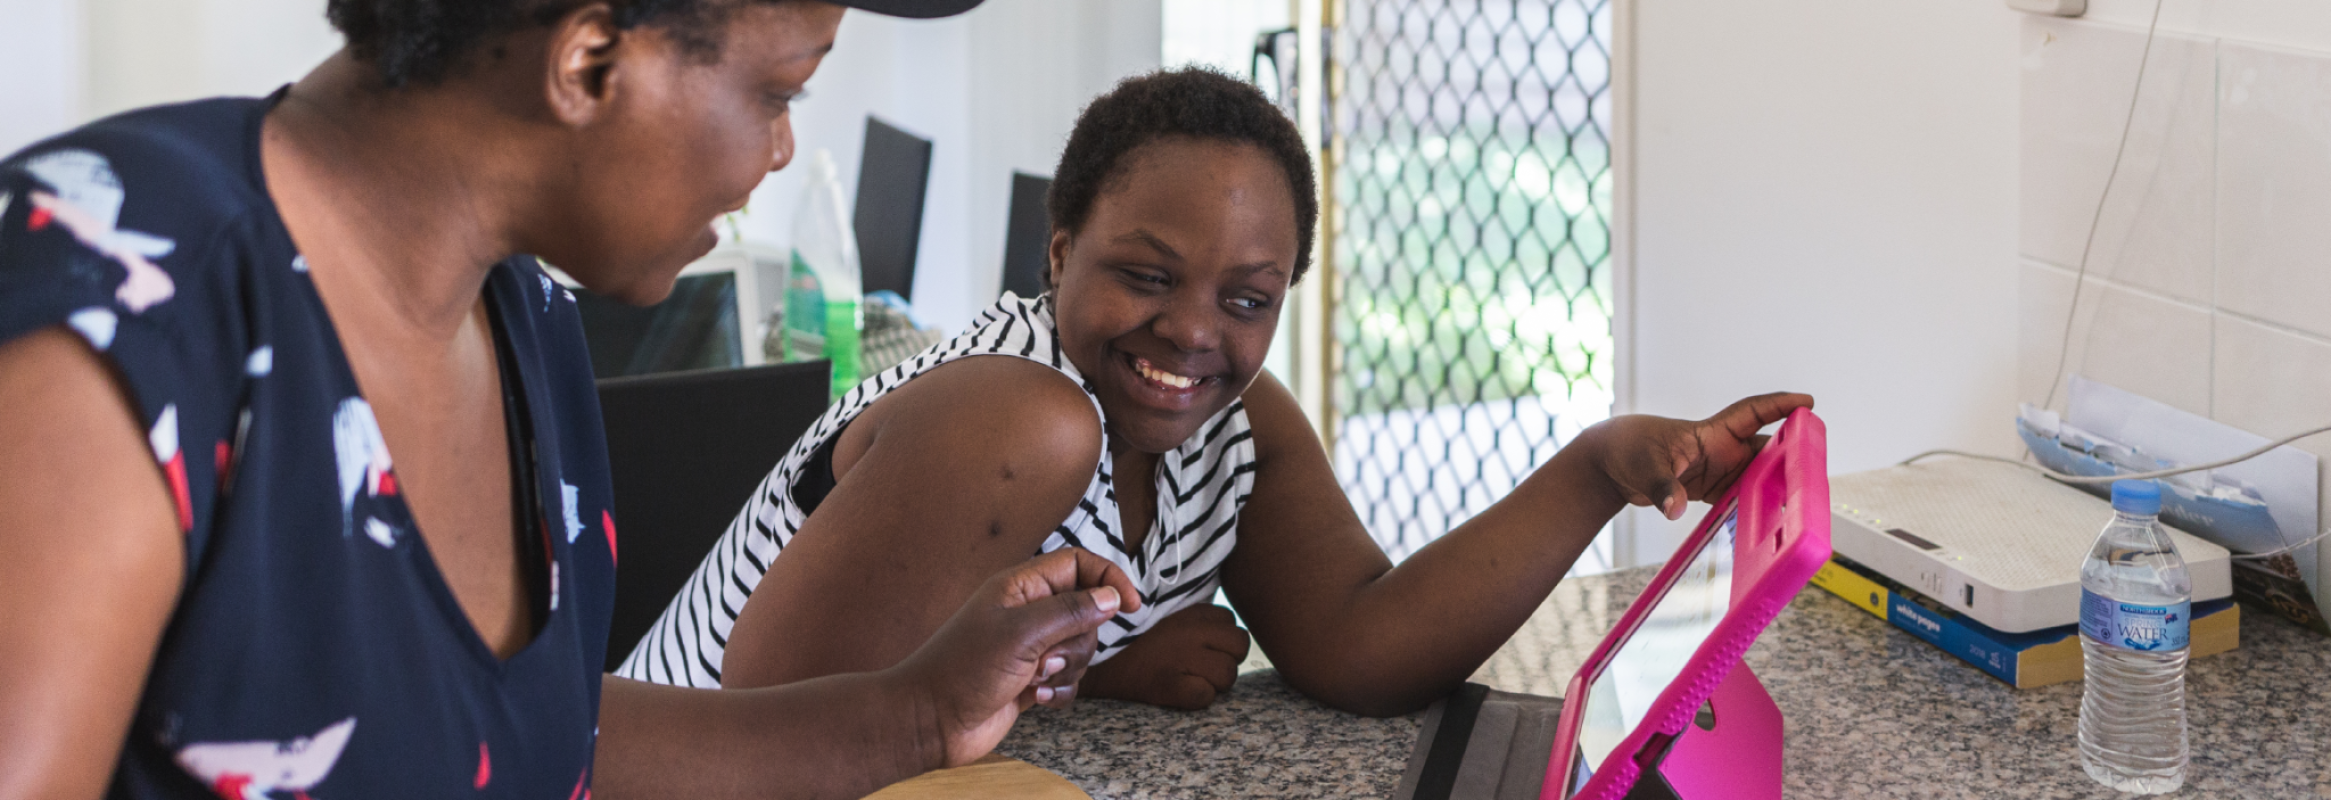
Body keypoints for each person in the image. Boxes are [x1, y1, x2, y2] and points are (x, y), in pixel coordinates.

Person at [0, 1, 1144, 798]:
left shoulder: (524, 319)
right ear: (589, 60)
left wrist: (921, 713)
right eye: (777, 90)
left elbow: (530, 735)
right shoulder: (120, 301)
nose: (783, 150)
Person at [620, 67, 1813, 716]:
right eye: (1145, 274)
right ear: (1056, 249)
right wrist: (1093, 677)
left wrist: (1598, 467)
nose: (1193, 332)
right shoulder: (1018, 415)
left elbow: (1358, 646)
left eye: (1249, 297)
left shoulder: (1229, 425)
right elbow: (779, 728)